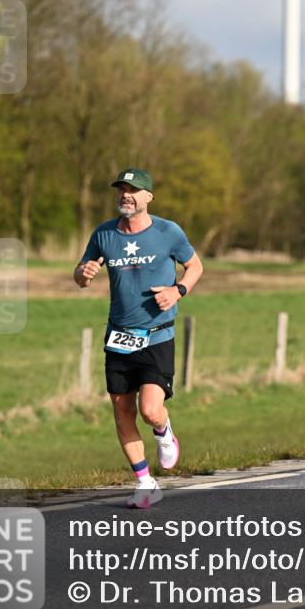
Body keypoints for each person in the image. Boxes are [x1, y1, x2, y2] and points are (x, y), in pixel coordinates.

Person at [75, 168, 203, 507]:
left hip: (157, 334)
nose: (126, 195)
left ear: (148, 196)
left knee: (150, 409)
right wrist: (83, 273)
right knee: (122, 411)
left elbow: (196, 267)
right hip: (118, 336)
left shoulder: (168, 231)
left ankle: (164, 432)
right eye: (121, 190)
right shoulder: (104, 234)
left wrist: (178, 291)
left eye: (134, 190)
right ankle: (145, 482)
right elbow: (81, 273)